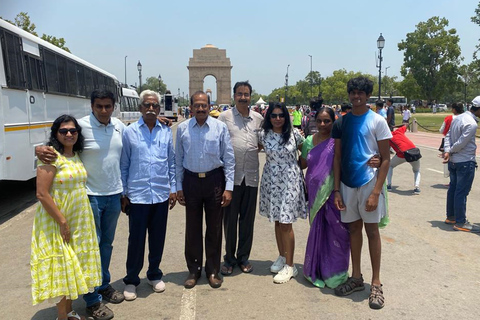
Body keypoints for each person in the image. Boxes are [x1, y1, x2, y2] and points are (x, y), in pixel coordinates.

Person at [37, 90, 125, 320]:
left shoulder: (118, 126)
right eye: (99, 106)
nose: (104, 110)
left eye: (108, 106)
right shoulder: (81, 125)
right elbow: (54, 145)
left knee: (105, 245)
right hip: (90, 198)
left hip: (114, 195)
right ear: (92, 106)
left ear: (114, 106)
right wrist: (38, 149)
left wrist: (161, 121)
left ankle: (102, 284)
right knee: (90, 249)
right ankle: (92, 300)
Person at [31, 115, 102, 320]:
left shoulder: (75, 154)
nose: (69, 134)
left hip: (79, 218)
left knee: (75, 264)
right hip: (58, 219)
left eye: (73, 130)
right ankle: (62, 315)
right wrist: (62, 221)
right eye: (63, 131)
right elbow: (41, 193)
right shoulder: (50, 156)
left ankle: (69, 310)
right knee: (64, 266)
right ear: (55, 134)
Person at [332, 77, 391, 309]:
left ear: (367, 96)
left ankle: (376, 282)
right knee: (353, 230)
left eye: (361, 93)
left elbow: (385, 159)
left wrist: (376, 192)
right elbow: (337, 157)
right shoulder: (341, 123)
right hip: (347, 183)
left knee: (372, 231)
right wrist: (336, 189)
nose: (356, 96)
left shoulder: (378, 121)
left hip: (369, 183)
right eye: (353, 92)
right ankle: (356, 277)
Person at [120, 90, 177, 301]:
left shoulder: (165, 131)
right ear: (140, 108)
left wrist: (173, 188)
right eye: (147, 105)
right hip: (138, 195)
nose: (151, 108)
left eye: (154, 105)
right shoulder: (130, 132)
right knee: (135, 240)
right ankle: (132, 279)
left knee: (157, 238)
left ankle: (154, 274)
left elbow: (171, 162)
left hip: (161, 194)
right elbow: (124, 164)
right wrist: (124, 193)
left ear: (159, 108)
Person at [176, 91, 235, 289]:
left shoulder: (220, 128)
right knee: (192, 229)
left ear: (210, 106)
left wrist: (229, 187)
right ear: (191, 107)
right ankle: (193, 270)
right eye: (197, 105)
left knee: (214, 228)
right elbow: (177, 161)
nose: (201, 108)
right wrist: (178, 187)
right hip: (191, 182)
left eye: (204, 105)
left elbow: (229, 159)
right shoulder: (183, 128)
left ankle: (212, 270)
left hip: (214, 181)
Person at [300, 107, 350, 289]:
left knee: (338, 232)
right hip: (315, 192)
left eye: (327, 121)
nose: (322, 125)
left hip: (335, 191)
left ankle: (335, 273)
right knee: (318, 231)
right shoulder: (308, 141)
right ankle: (317, 269)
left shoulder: (339, 141)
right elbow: (303, 163)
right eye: (319, 121)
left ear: (333, 120)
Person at [258, 103, 307, 284]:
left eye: (281, 115)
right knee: (278, 221)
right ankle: (281, 255)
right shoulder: (263, 135)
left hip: (290, 180)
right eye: (273, 115)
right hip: (271, 180)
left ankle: (290, 265)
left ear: (286, 117)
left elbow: (306, 154)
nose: (277, 119)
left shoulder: (295, 135)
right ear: (268, 117)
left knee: (286, 222)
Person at [218, 81, 263, 275]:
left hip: (251, 176)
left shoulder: (258, 119)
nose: (243, 97)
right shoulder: (224, 117)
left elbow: (262, 143)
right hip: (231, 178)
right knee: (229, 220)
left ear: (250, 96)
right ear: (234, 96)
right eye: (239, 94)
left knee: (247, 220)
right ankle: (229, 258)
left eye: (246, 94)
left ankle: (243, 256)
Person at [443, 99, 480, 232]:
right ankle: (460, 222)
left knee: (453, 189)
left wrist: (447, 151)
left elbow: (447, 136)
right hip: (464, 160)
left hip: (454, 160)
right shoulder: (471, 123)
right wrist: (451, 150)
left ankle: (451, 216)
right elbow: (461, 143)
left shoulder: (458, 118)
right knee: (461, 191)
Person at [387, 124, 421, 194]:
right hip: (414, 152)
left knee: (390, 166)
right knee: (416, 170)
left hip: (402, 155)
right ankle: (417, 187)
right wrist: (397, 126)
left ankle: (389, 185)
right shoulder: (399, 131)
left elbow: (387, 150)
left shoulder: (388, 138)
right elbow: (406, 125)